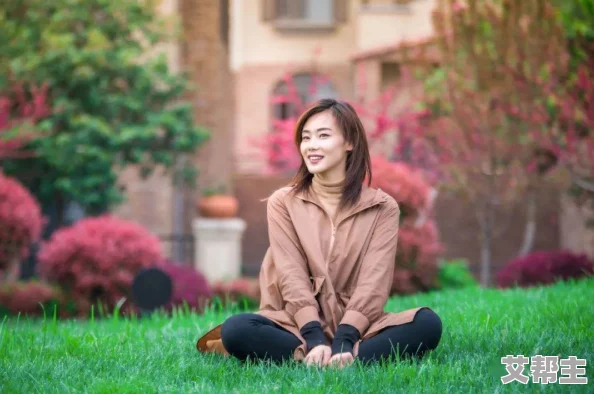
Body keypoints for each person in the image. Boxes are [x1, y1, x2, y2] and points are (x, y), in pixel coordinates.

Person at [196, 99, 442, 368]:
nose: (311, 146)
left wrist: (346, 337)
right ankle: (321, 354)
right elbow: (290, 273)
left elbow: (375, 281)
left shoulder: (382, 208)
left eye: (323, 136)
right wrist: (313, 335)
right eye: (305, 138)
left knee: (427, 324)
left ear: (349, 142)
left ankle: (341, 355)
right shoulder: (284, 202)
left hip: (360, 325)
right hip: (295, 325)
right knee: (236, 329)